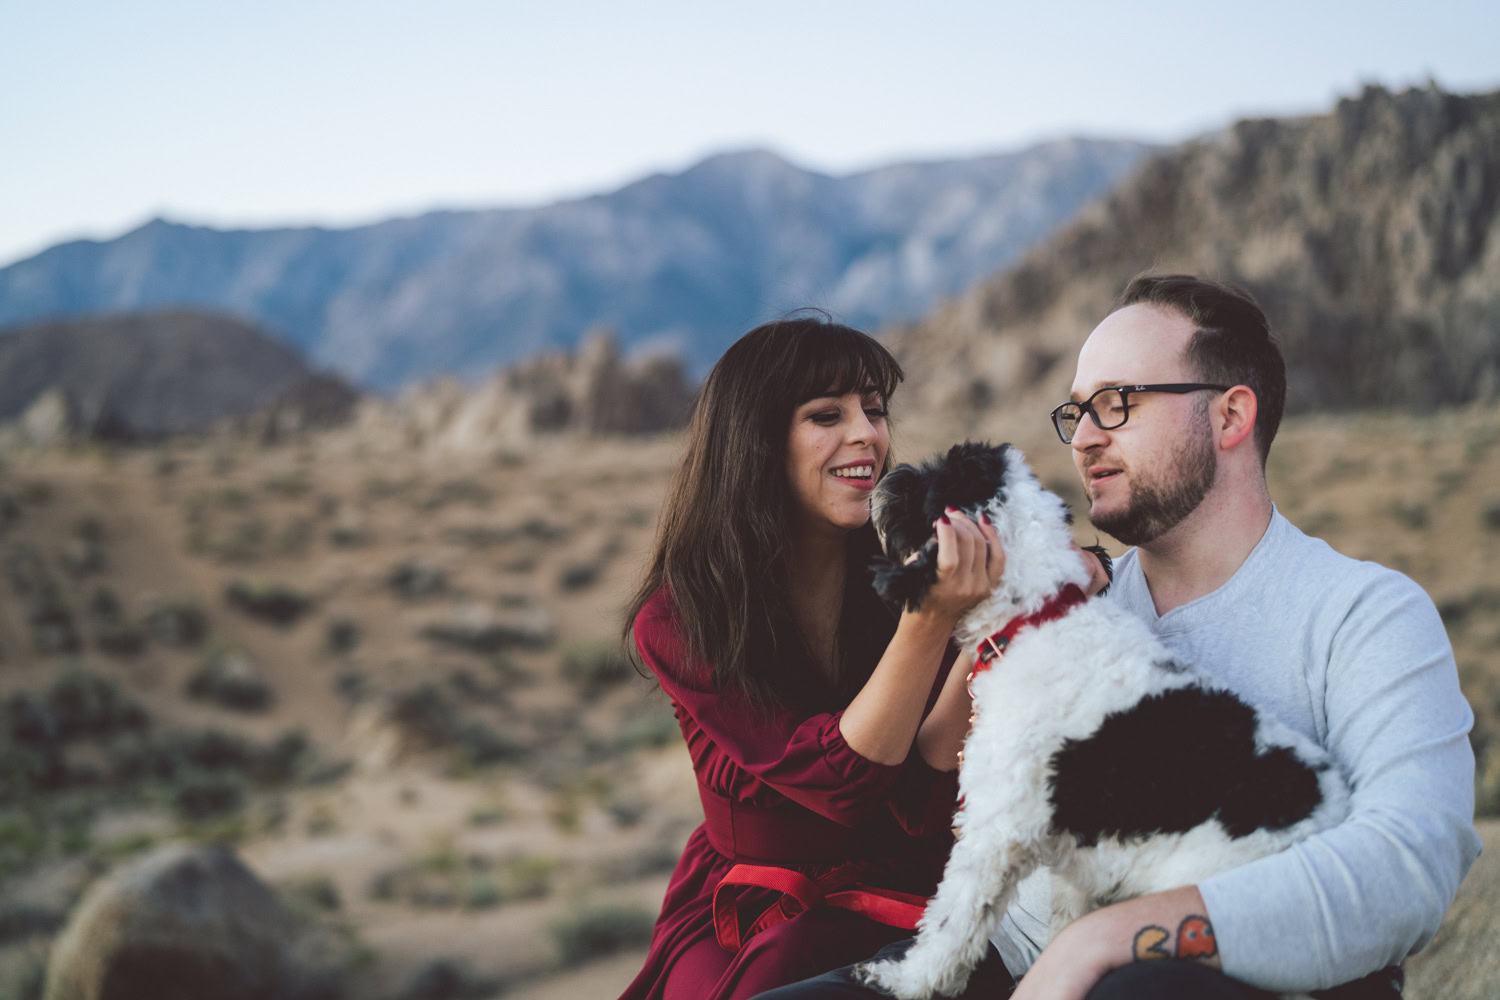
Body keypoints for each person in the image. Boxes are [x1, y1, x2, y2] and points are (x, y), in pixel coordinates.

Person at [754, 275, 1481, 1000]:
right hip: (1019, 961)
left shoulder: (1365, 614)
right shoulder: (1064, 606)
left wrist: (1106, 940)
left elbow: (1408, 866)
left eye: (1117, 404)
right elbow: (948, 766)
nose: (1087, 437)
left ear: (1230, 415)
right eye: (1077, 412)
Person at [616, 315, 1022, 1000]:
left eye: (874, 410)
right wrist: (930, 621)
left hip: (913, 880)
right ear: (756, 441)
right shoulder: (680, 616)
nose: (866, 434)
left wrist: (1000, 622)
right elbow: (843, 784)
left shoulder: (906, 560)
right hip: (746, 911)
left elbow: (927, 783)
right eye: (826, 415)